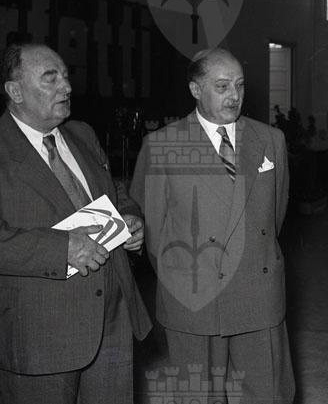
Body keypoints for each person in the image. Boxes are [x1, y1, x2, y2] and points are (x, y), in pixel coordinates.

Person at [130, 47, 294, 404]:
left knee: (268, 394)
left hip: (258, 290)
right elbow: (154, 233)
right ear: (195, 89)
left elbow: (274, 218)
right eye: (222, 86)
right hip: (193, 298)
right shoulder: (162, 146)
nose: (234, 95)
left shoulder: (270, 140)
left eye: (239, 85)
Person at [0, 43, 151, 404]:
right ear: (15, 91)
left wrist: (131, 218)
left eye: (66, 77)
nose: (66, 87)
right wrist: (61, 248)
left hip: (112, 322)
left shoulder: (82, 133)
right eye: (50, 78)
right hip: (40, 333)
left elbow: (115, 192)